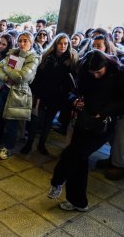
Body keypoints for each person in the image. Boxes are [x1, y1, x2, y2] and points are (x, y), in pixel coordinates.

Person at [48, 50, 124, 212]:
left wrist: (104, 112)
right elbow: (73, 92)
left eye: (99, 72)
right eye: (92, 72)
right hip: (84, 121)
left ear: (106, 65)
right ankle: (78, 202)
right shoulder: (85, 73)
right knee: (79, 161)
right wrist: (75, 100)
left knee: (72, 154)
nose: (96, 75)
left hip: (103, 126)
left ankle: (57, 181)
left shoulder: (117, 74)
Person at [0, 32, 40, 160]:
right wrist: (7, 77)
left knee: (11, 125)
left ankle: (8, 148)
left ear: (31, 43)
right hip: (3, 89)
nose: (22, 43)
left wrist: (6, 69)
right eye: (20, 40)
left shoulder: (33, 58)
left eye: (26, 41)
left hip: (18, 94)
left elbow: (22, 77)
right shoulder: (13, 52)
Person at [21, 33, 78, 155]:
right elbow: (38, 77)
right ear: (55, 44)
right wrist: (35, 93)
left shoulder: (70, 60)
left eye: (65, 43)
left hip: (57, 97)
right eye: (60, 43)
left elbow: (72, 81)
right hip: (42, 94)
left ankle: (41, 144)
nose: (63, 46)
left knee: (48, 122)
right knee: (36, 121)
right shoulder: (46, 57)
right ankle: (29, 144)